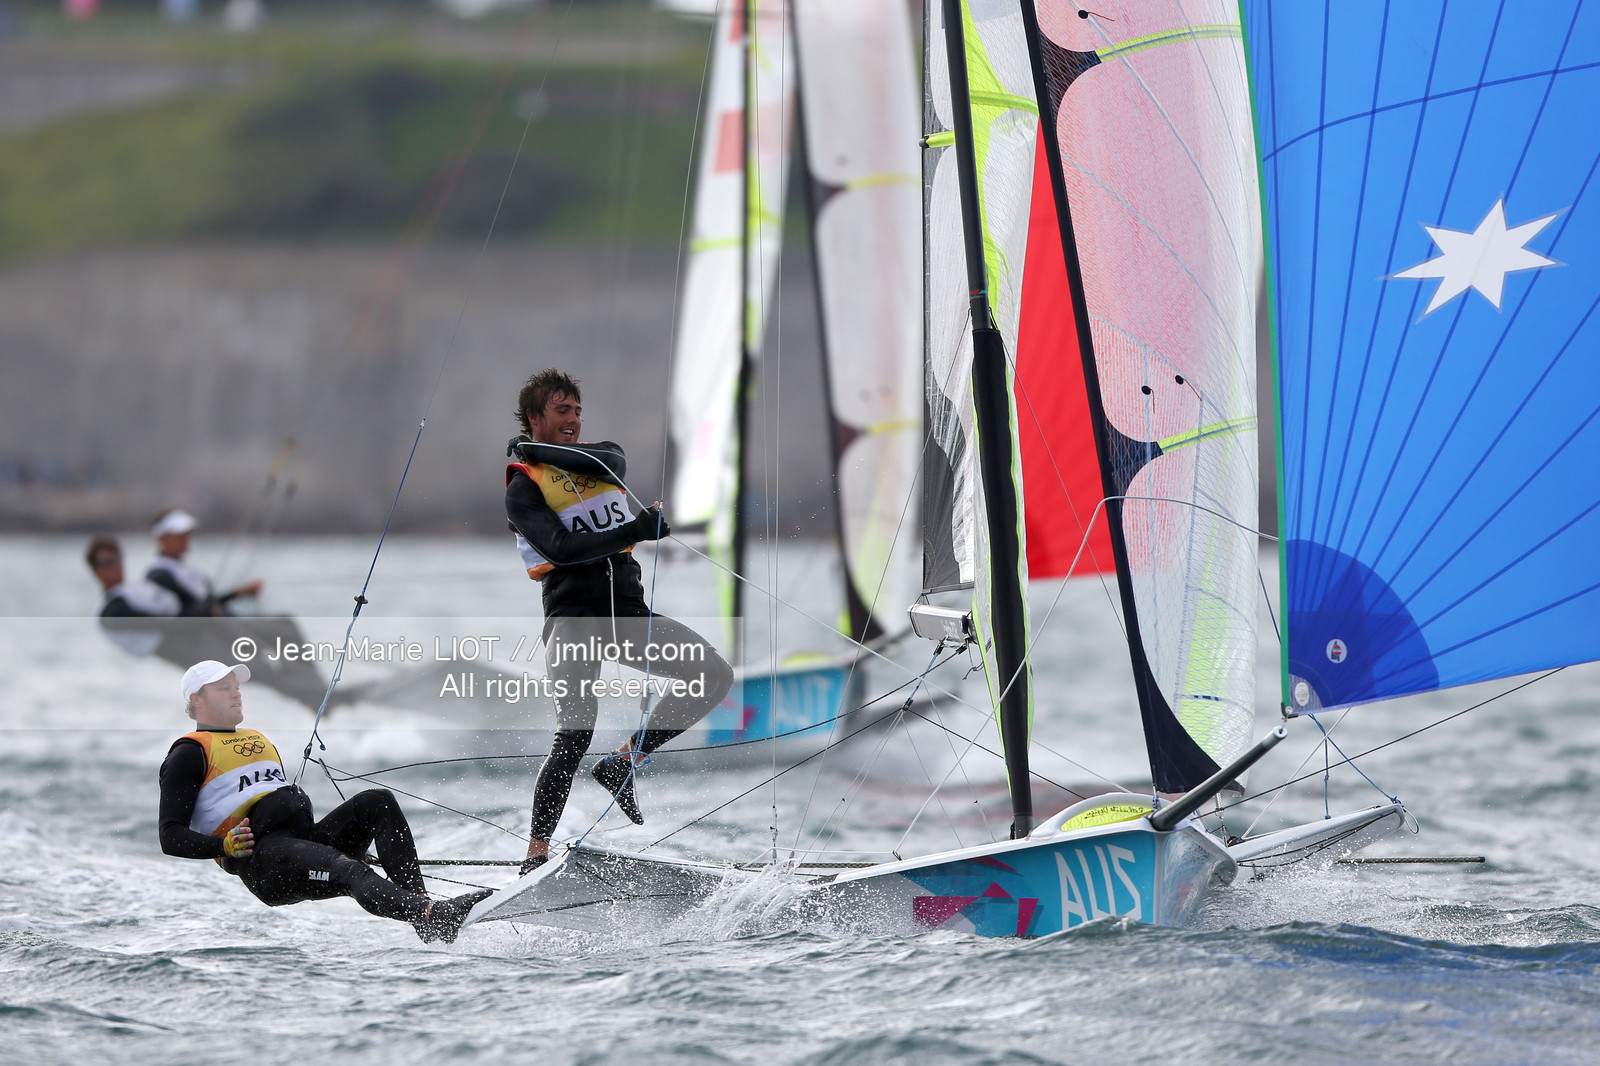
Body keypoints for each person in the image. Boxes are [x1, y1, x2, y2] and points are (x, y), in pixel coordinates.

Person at [505, 368, 734, 875]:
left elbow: (612, 461)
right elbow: (560, 548)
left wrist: (640, 528)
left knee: (712, 675)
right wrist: (635, 528)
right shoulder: (523, 488)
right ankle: (534, 856)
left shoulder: (600, 463)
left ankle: (625, 761)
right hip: (574, 620)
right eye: (562, 411)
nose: (574, 420)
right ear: (534, 418)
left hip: (628, 614)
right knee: (574, 735)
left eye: (578, 411)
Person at [158, 659, 489, 942]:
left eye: (236, 686)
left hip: (302, 840)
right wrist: (223, 847)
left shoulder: (256, 739)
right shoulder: (189, 753)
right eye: (223, 688)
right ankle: (432, 916)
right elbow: (170, 836)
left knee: (378, 802)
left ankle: (423, 909)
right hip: (265, 861)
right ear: (196, 700)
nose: (236, 692)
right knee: (349, 871)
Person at [146, 508, 263, 617]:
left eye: (186, 533)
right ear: (161, 537)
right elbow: (182, 614)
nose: (185, 538)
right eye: (177, 534)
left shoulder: (194, 572)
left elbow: (210, 604)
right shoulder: (158, 576)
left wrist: (239, 593)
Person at [86, 534, 181, 656]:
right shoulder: (109, 610)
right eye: (109, 562)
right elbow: (153, 623)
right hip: (170, 644)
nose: (116, 566)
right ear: (96, 570)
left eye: (117, 559)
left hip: (185, 629)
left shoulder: (134, 587)